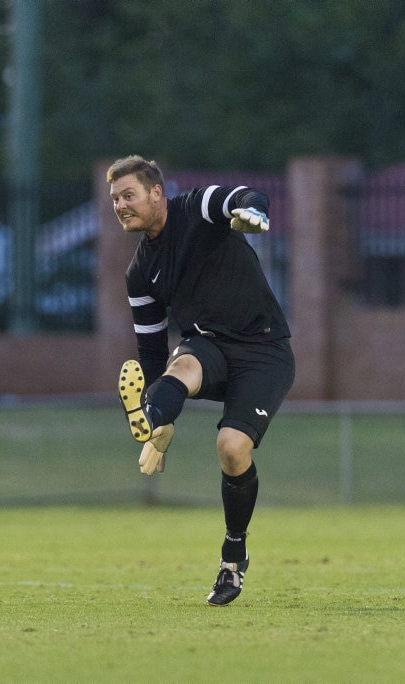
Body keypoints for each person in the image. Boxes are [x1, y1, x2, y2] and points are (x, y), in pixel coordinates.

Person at [108, 155, 294, 606]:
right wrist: (162, 426)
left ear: (156, 193)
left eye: (128, 195)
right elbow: (151, 352)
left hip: (263, 351)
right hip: (206, 345)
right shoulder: (139, 274)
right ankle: (152, 417)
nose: (120, 206)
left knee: (231, 449)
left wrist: (256, 212)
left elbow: (240, 198)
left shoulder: (195, 208)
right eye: (114, 199)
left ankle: (234, 555)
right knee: (179, 367)